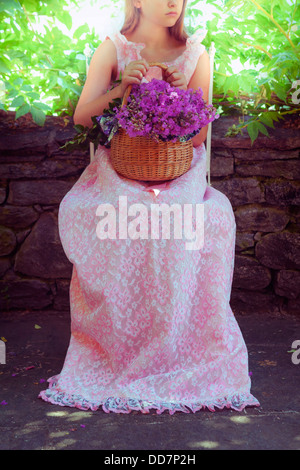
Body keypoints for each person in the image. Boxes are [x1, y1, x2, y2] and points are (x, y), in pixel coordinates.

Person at [39, 0, 260, 414]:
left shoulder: (197, 53)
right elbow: (82, 118)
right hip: (119, 169)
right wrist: (122, 88)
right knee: (123, 215)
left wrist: (177, 96)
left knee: (194, 217)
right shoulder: (113, 48)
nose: (175, 2)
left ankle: (177, 350)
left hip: (179, 172)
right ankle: (122, 348)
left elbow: (197, 141)